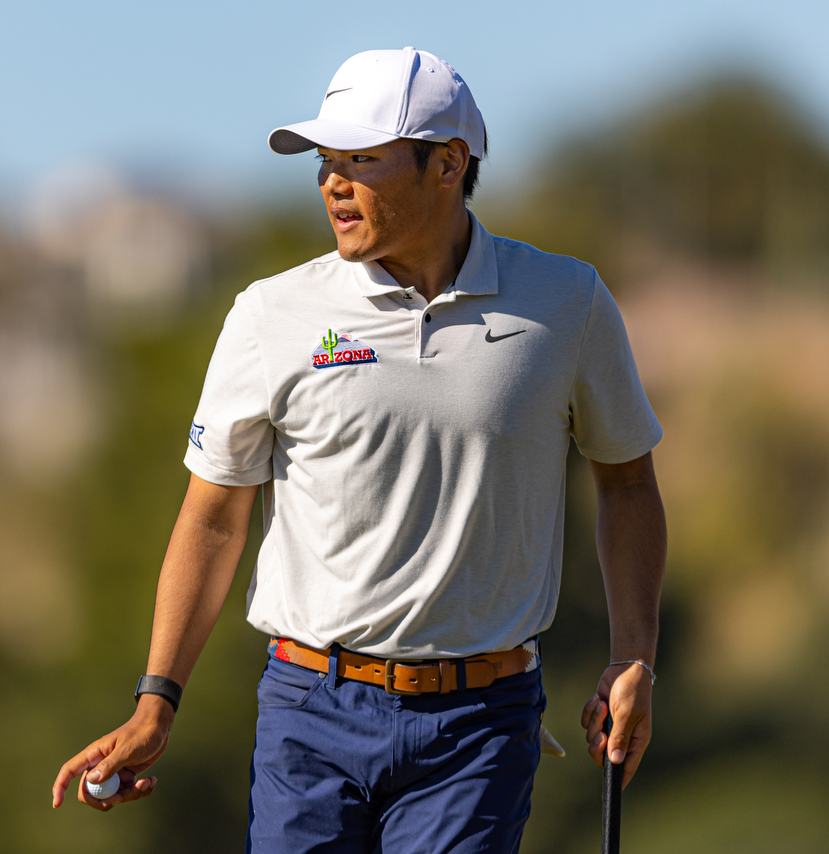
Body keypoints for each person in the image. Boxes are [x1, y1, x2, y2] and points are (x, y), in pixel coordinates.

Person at [51, 47, 666, 853]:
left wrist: (635, 661)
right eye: (325, 163)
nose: (331, 184)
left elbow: (626, 485)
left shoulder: (566, 303)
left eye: (361, 162)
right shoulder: (272, 314)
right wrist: (156, 700)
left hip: (479, 727)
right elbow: (212, 518)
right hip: (309, 714)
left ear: (447, 164)